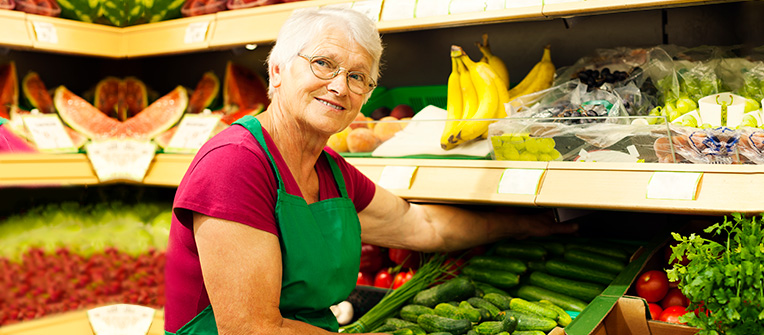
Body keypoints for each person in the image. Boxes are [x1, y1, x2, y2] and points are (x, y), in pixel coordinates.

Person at [163, 6, 576, 335]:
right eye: (323, 64)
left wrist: (524, 225)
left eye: (358, 76)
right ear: (277, 70)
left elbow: (422, 224)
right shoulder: (235, 163)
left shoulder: (332, 172)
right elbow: (250, 329)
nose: (340, 87)